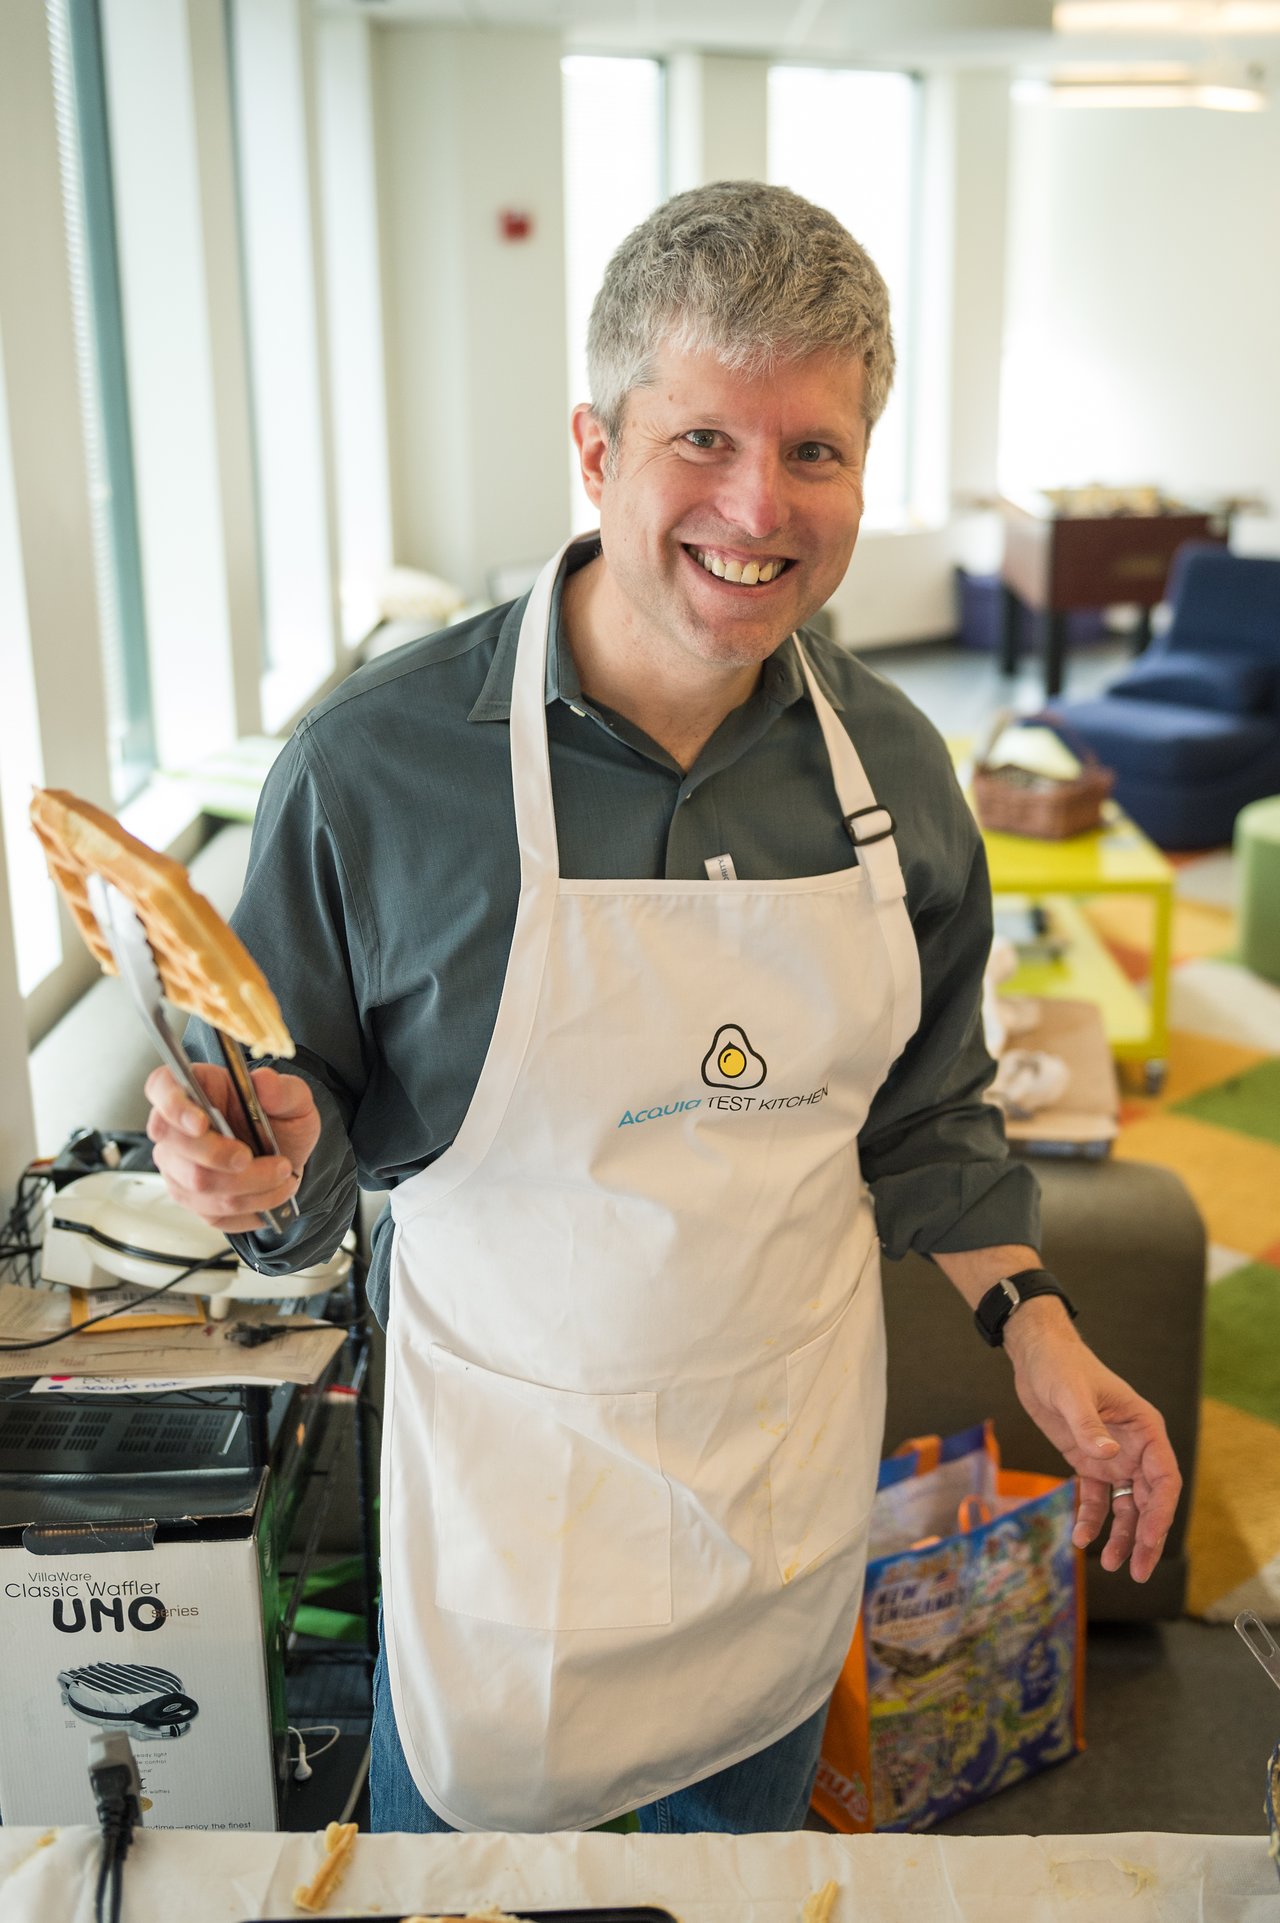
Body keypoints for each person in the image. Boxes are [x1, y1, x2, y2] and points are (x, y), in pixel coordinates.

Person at [144, 182, 1180, 1837]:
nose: (757, 507)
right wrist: (257, 1185)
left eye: (816, 451)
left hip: (775, 1507)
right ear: (596, 446)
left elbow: (923, 1109)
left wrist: (1041, 1339)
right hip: (513, 1543)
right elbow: (295, 1167)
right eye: (701, 437)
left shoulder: (896, 769)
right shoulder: (375, 773)